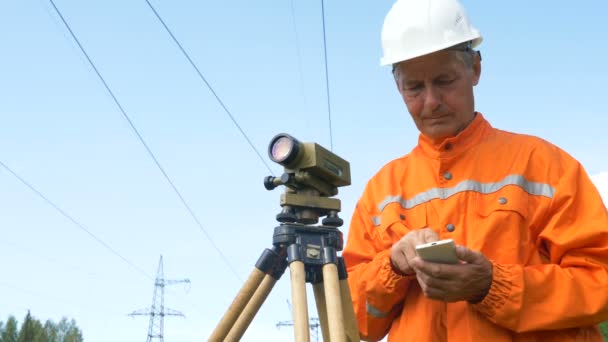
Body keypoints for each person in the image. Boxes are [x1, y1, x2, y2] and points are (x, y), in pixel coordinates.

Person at [341, 0, 608, 341]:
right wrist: (392, 267)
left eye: (444, 80)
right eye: (415, 87)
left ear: (476, 69)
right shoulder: (381, 192)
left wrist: (493, 286)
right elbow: (355, 322)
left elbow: (600, 282)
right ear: (398, 87)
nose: (431, 101)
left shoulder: (545, 166)